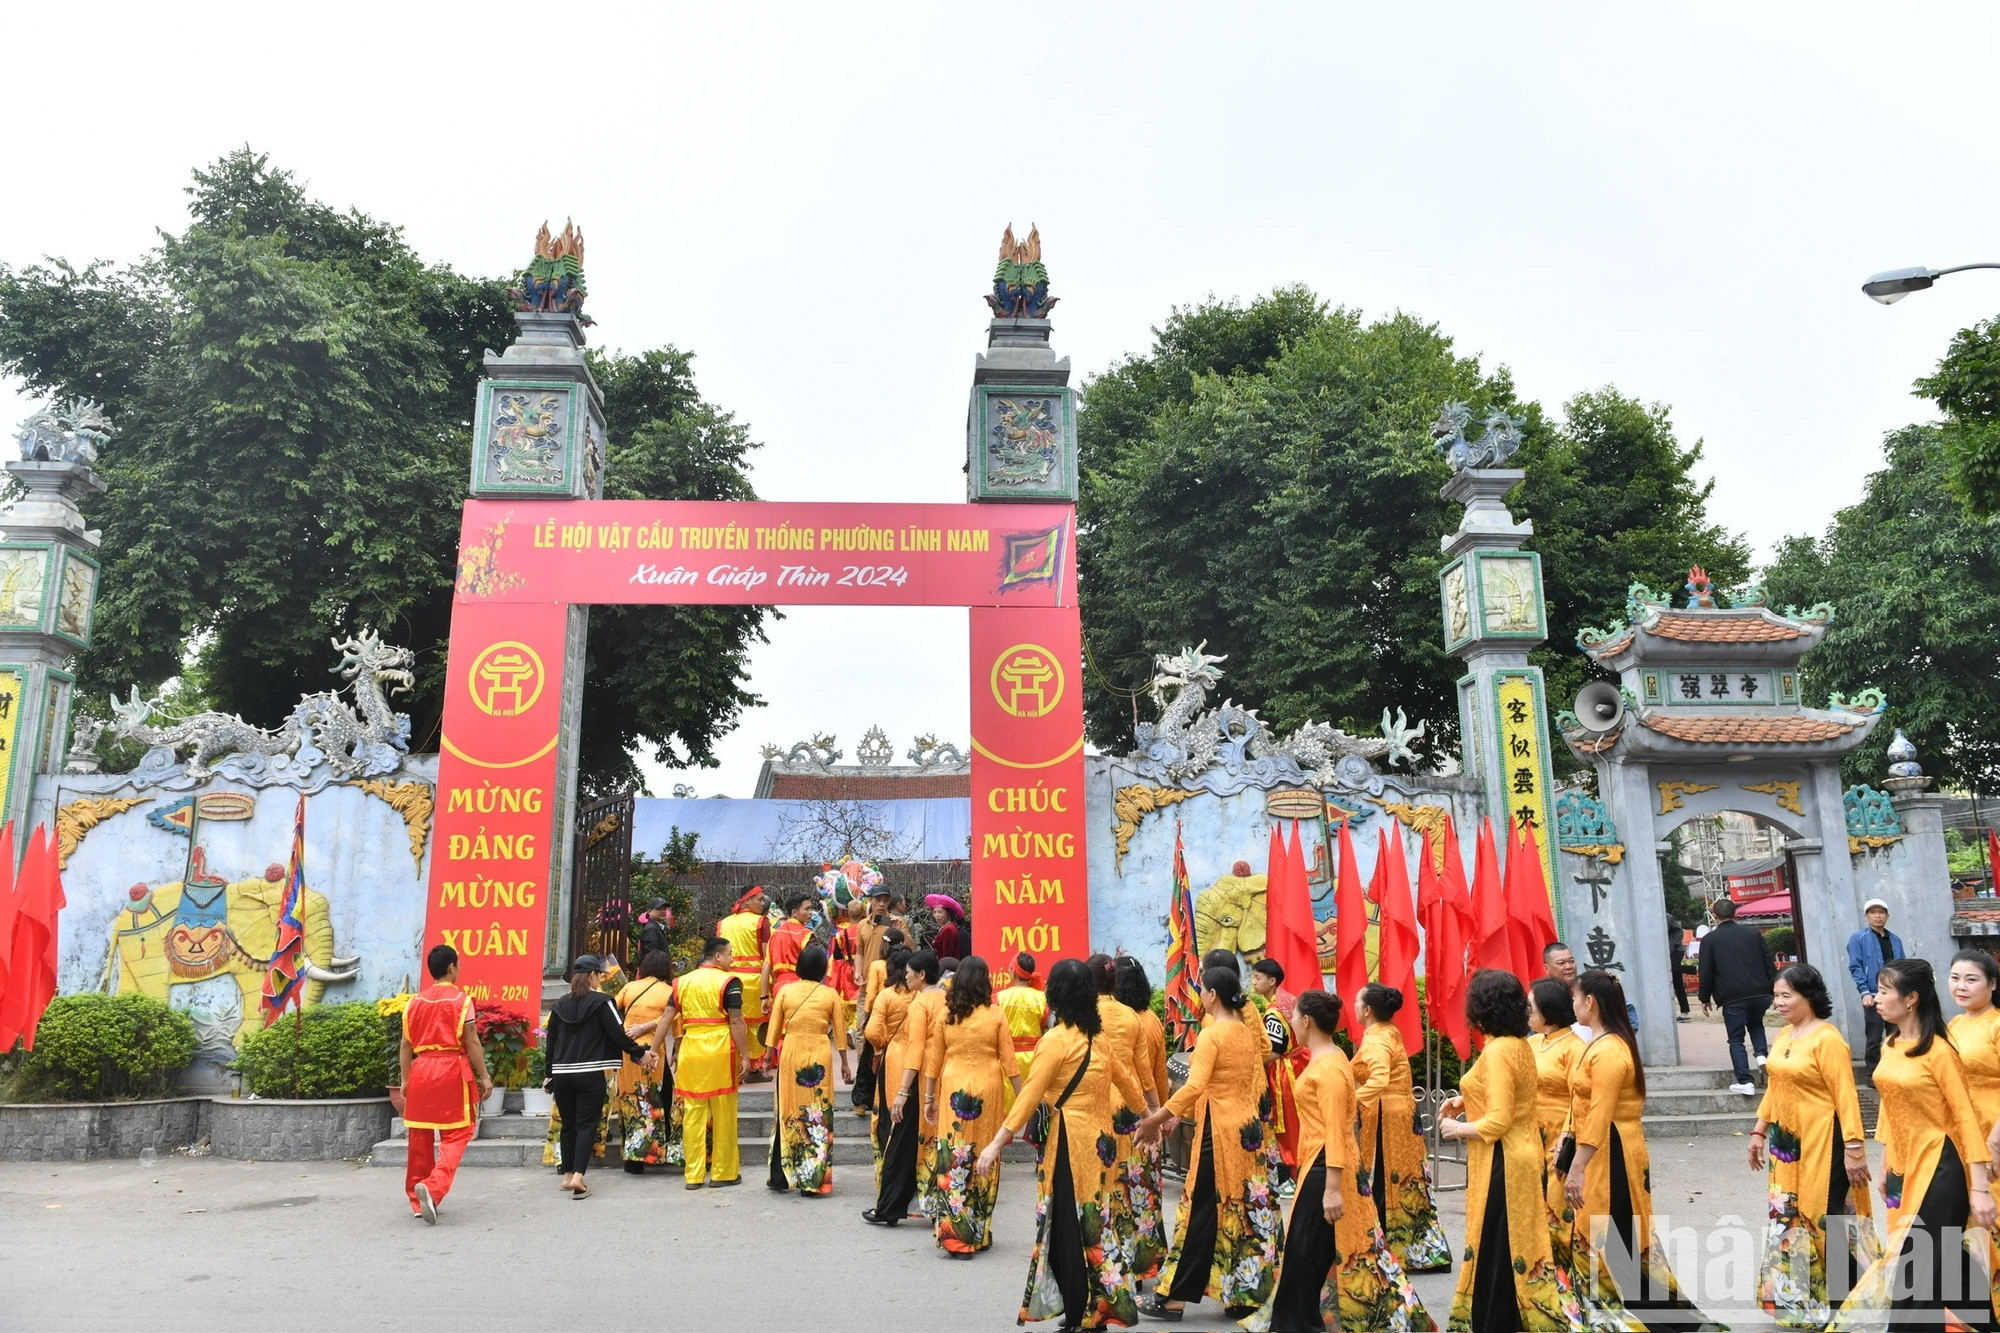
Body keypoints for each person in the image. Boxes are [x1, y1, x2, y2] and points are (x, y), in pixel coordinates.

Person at [1245, 988, 1430, 1333]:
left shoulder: (1329, 1066)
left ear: (1307, 1021)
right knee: (1314, 1251)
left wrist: (1332, 1188)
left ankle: (1299, 1323)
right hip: (1321, 1162)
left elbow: (1336, 1129)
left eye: (1294, 1017)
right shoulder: (1331, 1057)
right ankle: (1302, 1321)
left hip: (1326, 1166)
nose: (1291, 1024)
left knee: (1307, 1252)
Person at [980, 958, 1150, 1329]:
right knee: (1094, 1223)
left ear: (1054, 994)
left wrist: (997, 1142)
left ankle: (1078, 1312)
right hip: (1101, 1143)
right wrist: (1148, 1117)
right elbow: (1127, 1082)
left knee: (1069, 1227)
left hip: (1070, 1142)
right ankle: (1094, 1308)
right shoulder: (1099, 1037)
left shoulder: (1054, 1041)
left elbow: (1029, 1098)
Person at [1834, 957, 1997, 1327]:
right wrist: (1884, 1162)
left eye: (1883, 991)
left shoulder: (1939, 1051)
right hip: (1903, 1166)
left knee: (1916, 1265)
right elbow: (1893, 1109)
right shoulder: (1891, 1044)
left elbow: (1965, 1119)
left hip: (1941, 1166)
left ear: (1910, 999)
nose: (1876, 998)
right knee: (1946, 1265)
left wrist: (1981, 1187)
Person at [1563, 969, 1714, 1329]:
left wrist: (1577, 1167)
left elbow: (1600, 1114)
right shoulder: (1600, 1043)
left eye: (1574, 997)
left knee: (1614, 1230)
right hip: (1602, 1145)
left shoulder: (1611, 1051)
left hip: (1610, 1148)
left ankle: (1643, 1316)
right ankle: (1632, 1313)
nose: (1572, 1004)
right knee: (1610, 1230)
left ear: (1590, 1002)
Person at [1134, 964, 1286, 1320]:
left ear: (1212, 995)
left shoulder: (1212, 1035)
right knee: (1244, 1208)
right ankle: (1245, 1293)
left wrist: (1156, 1118)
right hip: (1246, 1131)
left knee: (1198, 1210)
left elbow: (1195, 1085)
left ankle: (1173, 1297)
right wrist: (1172, 1114)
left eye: (1202, 990)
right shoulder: (1247, 1032)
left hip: (1217, 1132)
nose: (1200, 996)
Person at [1439, 970, 1584, 1331]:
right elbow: (1514, 1100)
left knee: (1499, 1245)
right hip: (1517, 1151)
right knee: (1507, 1242)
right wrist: (1464, 1100)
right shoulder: (1518, 1043)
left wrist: (1458, 1129)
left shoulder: (1501, 1049)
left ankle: (1499, 1321)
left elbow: (1499, 1120)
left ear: (1481, 1006)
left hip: (1504, 1157)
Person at [1746, 963, 1879, 1327]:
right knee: (1788, 1214)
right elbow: (1776, 1086)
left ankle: (1846, 1299)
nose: (1779, 1003)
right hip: (1785, 1143)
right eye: (1776, 996)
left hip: (1824, 1137)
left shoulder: (1828, 1038)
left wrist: (1854, 1149)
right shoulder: (1786, 1036)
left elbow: (1845, 1096)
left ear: (1810, 996)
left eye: (1786, 996)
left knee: (1823, 1214)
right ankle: (1800, 1297)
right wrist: (1759, 1130)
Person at [922, 955, 1020, 1254]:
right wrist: (1025, 1101)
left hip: (953, 1088)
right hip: (988, 1090)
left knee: (953, 1153)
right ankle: (978, 1233)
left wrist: (928, 1098)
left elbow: (934, 1061)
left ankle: (953, 1235)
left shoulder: (947, 1014)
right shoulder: (995, 1014)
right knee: (983, 1155)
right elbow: (1011, 1063)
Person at [1352, 983, 1451, 1274]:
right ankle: (1420, 1251)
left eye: (1357, 1002)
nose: (1354, 1006)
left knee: (1389, 1182)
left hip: (1389, 1118)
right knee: (1404, 1181)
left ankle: (1389, 1250)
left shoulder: (1376, 1040)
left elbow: (1380, 1078)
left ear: (1368, 1010)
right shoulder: (1386, 1031)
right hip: (1398, 1113)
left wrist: (1348, 1100)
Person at [543, 954, 656, 1200]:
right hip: (590, 1073)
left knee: (569, 1125)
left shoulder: (559, 1004)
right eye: (598, 976)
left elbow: (551, 1042)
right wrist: (641, 1054)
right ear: (593, 976)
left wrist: (548, 1074)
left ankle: (566, 1174)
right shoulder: (603, 1002)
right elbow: (618, 1034)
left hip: (563, 1074)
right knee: (586, 1125)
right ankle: (578, 1178)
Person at [396, 943, 492, 1224]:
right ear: (451, 968)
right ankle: (434, 1187)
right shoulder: (462, 1001)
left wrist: (405, 1080)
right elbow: (471, 1040)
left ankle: (416, 1199)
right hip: (451, 1070)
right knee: (459, 1133)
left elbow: (405, 1045)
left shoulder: (413, 1003)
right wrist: (484, 1075)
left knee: (420, 1137)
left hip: (422, 1070)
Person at [662, 937, 751, 1190]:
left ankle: (693, 1175)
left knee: (693, 1114)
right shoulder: (729, 982)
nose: (733, 959)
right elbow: (736, 1021)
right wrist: (745, 1055)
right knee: (724, 1113)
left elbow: (667, 1017)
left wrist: (654, 1048)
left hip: (691, 1049)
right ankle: (724, 1173)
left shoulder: (682, 982)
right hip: (720, 1050)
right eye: (730, 954)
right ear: (718, 957)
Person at [764, 943, 847, 1197]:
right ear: (823, 969)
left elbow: (774, 1029)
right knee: (817, 1113)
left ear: (798, 966)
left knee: (787, 1111)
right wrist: (844, 1062)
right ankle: (812, 1180)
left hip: (791, 1052)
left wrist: (768, 1057)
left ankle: (781, 1176)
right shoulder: (830, 994)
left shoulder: (785, 991)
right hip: (819, 1053)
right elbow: (841, 1033)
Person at [867, 948, 943, 1224]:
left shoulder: (919, 1003)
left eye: (910, 973)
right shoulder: (947, 999)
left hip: (915, 1075)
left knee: (900, 1137)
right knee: (931, 1139)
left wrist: (902, 1090)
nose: (906, 976)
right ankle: (932, 1203)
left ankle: (890, 1206)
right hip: (940, 1075)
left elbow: (916, 1047)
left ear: (922, 975)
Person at [1949, 948, 2000, 1327]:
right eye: (1955, 978)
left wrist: (1995, 1143)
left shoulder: (1997, 1024)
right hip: (1963, 1137)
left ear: (1992, 985)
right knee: (1970, 1223)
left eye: (1971, 979)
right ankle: (1977, 1311)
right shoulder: (1952, 1026)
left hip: (1995, 1130)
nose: (1961, 986)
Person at [1113, 956, 1171, 1282]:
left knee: (1117, 1187)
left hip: (1114, 1112)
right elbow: (1158, 1075)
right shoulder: (1151, 1021)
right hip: (1145, 1116)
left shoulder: (1111, 1020)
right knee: (1143, 1189)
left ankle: (1116, 1262)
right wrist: (1161, 1115)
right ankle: (1145, 1263)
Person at [1697, 897, 1777, 1096]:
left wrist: (1704, 997)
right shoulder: (1753, 934)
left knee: (1736, 1039)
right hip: (1760, 992)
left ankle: (1745, 1081)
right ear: (1736, 913)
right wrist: (1776, 989)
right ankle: (1761, 1056)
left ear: (1714, 915)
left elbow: (1706, 971)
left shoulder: (1710, 940)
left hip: (1732, 995)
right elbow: (1769, 961)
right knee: (1756, 1024)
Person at [614, 950, 678, 1174]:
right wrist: (646, 1027)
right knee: (657, 1098)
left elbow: (611, 1009)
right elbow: (672, 1017)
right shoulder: (669, 991)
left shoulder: (630, 987)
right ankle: (655, 1152)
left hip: (628, 1051)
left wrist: (629, 1028)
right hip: (652, 1052)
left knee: (632, 1099)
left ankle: (632, 1160)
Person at [1528, 978, 1585, 1221]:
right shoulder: (1530, 1042)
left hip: (1559, 1136)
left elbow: (1580, 1098)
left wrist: (1567, 1136)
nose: (1526, 1011)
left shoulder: (1574, 1048)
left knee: (1558, 1202)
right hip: (1530, 1134)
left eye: (1531, 1005)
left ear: (1548, 1009)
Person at [1251, 957, 1306, 1183]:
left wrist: (1253, 1065)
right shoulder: (1288, 1000)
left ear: (1272, 981)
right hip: (1298, 1065)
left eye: (1258, 978)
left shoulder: (1274, 1011)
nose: (1253, 982)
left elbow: (1274, 1050)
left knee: (1287, 1125)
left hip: (1285, 1073)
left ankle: (1291, 1171)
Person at [864, 945, 914, 1180]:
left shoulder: (886, 995)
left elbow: (872, 1031)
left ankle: (887, 1170)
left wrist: (882, 1044)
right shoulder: (920, 995)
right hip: (916, 1058)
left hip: (893, 1057)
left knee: (888, 1112)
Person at [717, 887, 772, 1081]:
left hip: (729, 980)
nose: (763, 903)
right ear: (747, 900)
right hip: (755, 980)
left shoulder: (723, 923)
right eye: (759, 899)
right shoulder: (761, 922)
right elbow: (768, 956)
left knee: (734, 1021)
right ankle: (754, 1068)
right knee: (756, 1024)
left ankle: (736, 1064)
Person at [851, 924, 907, 1116]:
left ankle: (861, 1102)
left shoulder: (877, 966)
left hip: (879, 1017)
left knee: (868, 1060)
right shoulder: (908, 966)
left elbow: (871, 996)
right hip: (900, 1020)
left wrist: (867, 1019)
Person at [1845, 898, 1904, 1073]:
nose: (1877, 916)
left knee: (1896, 1033)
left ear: (1887, 916)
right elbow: (1855, 966)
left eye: (1881, 912)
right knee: (1874, 1035)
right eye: (1873, 912)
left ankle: (1895, 1068)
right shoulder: (1858, 938)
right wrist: (1864, 992)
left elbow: (1903, 966)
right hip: (1873, 993)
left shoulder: (1895, 939)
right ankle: (1873, 1072)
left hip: (1895, 993)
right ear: (1866, 916)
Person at [997, 951, 1050, 1099]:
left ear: (1013, 971)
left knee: (1009, 1105)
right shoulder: (1043, 998)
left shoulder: (999, 998)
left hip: (1007, 1059)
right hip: (1036, 1059)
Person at [767, 891, 816, 1000]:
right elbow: (813, 965)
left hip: (778, 987)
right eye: (807, 909)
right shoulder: (806, 934)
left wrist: (764, 996)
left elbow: (767, 966)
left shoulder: (775, 934)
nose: (811, 912)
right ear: (794, 912)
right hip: (800, 988)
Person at [928, 895, 967, 962]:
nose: (937, 915)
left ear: (948, 914)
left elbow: (947, 954)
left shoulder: (948, 929)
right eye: (935, 912)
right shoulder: (946, 927)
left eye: (940, 912)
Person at [1668, 918, 1690, 1020]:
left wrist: (1672, 945)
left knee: (1676, 977)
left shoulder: (1667, 916)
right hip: (1662, 951)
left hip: (1676, 951)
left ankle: (1685, 1011)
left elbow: (1679, 931)